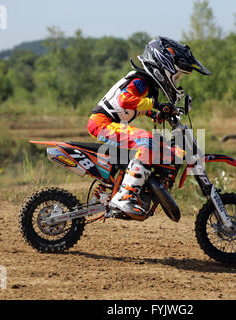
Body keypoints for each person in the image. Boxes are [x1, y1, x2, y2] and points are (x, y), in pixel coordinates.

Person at [86, 36, 211, 218]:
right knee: (148, 140)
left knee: (158, 144)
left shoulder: (148, 85)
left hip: (109, 123)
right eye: (177, 75)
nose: (177, 80)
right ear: (163, 66)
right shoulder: (140, 81)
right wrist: (155, 105)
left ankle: (143, 191)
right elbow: (125, 100)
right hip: (102, 123)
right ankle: (125, 196)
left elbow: (136, 107)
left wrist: (156, 113)